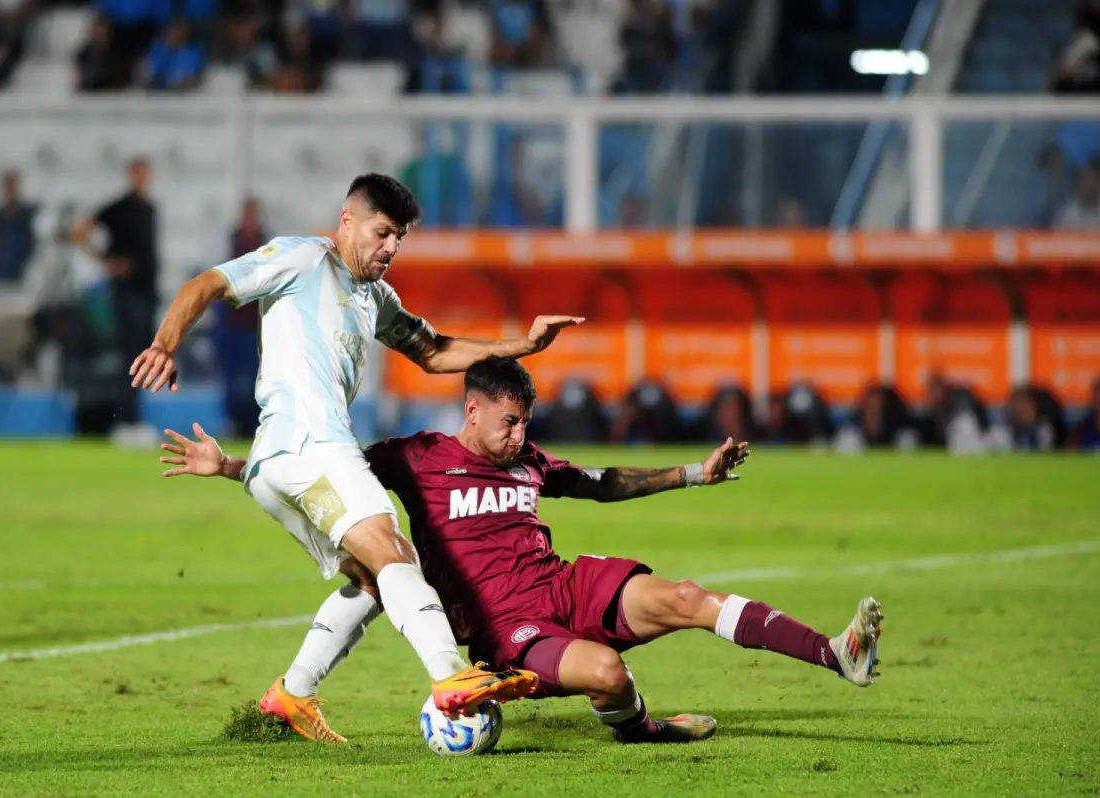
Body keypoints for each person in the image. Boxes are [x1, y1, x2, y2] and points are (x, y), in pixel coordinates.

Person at [159, 356, 884, 744]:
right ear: (471, 410)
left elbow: (602, 483)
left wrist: (696, 472)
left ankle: (836, 653)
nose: (517, 436)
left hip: (563, 585)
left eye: (524, 423)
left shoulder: (528, 460)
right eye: (508, 423)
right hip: (506, 629)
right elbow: (328, 477)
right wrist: (229, 467)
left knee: (687, 596)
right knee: (606, 672)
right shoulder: (414, 458)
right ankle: (643, 731)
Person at [133, 174, 583, 740]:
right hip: (315, 446)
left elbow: (436, 351)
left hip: (275, 465)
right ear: (348, 222)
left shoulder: (376, 297)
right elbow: (207, 284)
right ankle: (451, 677)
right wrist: (164, 344)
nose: (391, 248)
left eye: (399, 238)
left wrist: (522, 346)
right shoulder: (303, 258)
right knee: (397, 554)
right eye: (382, 232)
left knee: (374, 580)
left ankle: (292, 695)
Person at [71, 157, 161, 430]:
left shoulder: (149, 208)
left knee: (143, 353)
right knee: (130, 356)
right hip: (127, 294)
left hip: (146, 292)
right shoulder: (119, 208)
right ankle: (126, 417)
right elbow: (80, 231)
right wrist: (106, 261)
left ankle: (133, 414)